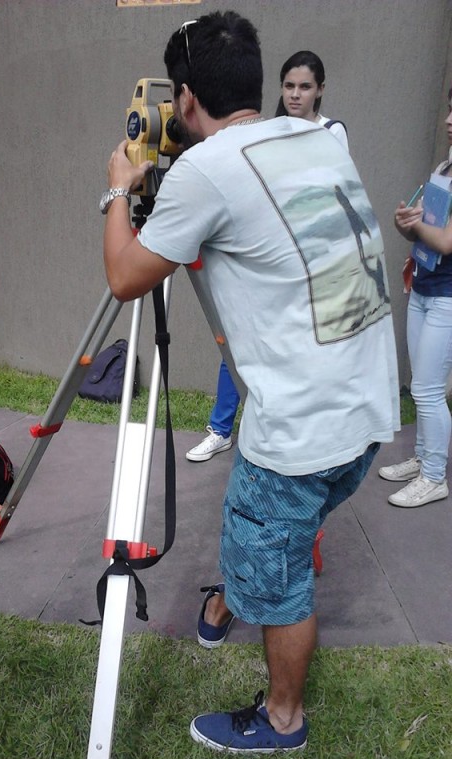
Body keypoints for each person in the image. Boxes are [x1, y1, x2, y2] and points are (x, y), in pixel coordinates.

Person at [101, 10, 399, 755]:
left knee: (282, 573)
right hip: (365, 411)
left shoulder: (207, 171)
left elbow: (125, 276)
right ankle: (240, 585)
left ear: (187, 97)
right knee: (274, 537)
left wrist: (117, 190)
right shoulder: (317, 137)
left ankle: (283, 720)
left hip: (300, 434)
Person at [186, 49, 348, 464]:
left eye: (305, 86)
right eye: (289, 86)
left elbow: (329, 197)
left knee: (296, 353)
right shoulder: (270, 129)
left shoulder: (331, 132)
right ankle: (221, 429)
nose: (295, 94)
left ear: (320, 90)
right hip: (266, 254)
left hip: (309, 261)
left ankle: (297, 441)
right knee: (237, 339)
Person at [378, 94, 452, 507]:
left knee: (426, 390)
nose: (448, 119)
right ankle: (424, 459)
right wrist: (406, 223)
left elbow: (444, 238)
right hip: (425, 286)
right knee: (422, 386)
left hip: (447, 297)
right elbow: (426, 231)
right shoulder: (443, 168)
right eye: (449, 108)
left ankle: (435, 476)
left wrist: (419, 225)